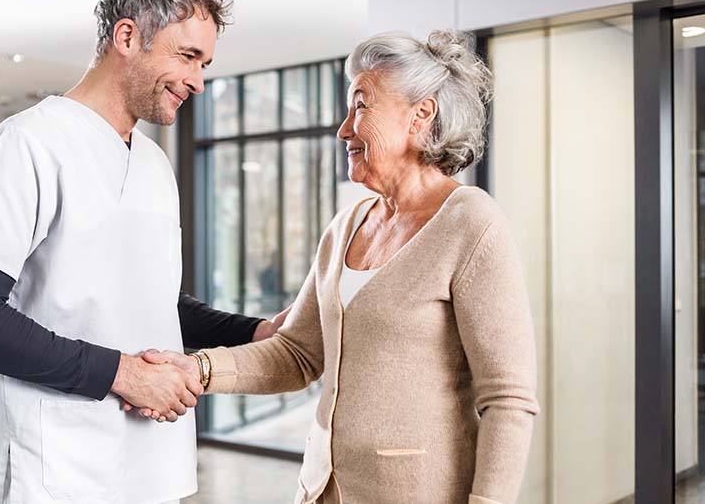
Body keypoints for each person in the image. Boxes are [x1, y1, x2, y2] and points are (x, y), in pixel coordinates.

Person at [0, 0, 287, 504]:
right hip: (48, 462)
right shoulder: (28, 145)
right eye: (187, 56)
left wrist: (254, 333)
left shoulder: (153, 163)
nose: (197, 80)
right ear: (127, 36)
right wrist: (122, 374)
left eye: (205, 63)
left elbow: (152, 301)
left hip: (150, 463)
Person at [145, 30, 540, 504]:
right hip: (320, 490)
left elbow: (508, 401)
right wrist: (198, 369)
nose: (344, 129)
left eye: (361, 106)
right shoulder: (346, 226)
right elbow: (297, 353)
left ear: (421, 113)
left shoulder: (471, 223)